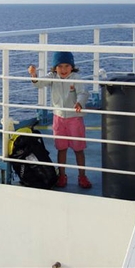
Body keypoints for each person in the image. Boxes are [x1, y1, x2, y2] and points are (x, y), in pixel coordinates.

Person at [28, 51, 92, 188]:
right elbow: (39, 84)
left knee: (78, 149)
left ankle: (82, 176)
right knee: (61, 149)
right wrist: (34, 75)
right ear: (55, 67)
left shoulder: (76, 78)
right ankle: (62, 175)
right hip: (58, 118)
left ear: (72, 66)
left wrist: (79, 102)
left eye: (67, 66)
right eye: (60, 66)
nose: (63, 70)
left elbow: (83, 92)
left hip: (75, 118)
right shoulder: (53, 77)